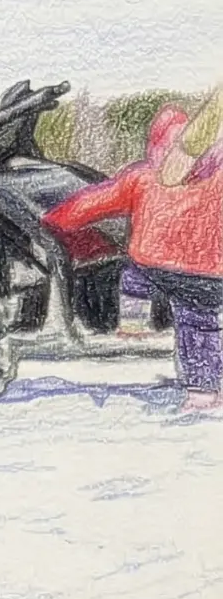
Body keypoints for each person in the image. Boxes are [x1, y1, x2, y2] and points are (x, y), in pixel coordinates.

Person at [47, 99, 223, 410]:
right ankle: (205, 388)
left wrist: (54, 220)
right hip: (211, 270)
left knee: (132, 273)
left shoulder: (141, 176)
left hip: (154, 264)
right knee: (199, 322)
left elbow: (94, 202)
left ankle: (134, 323)